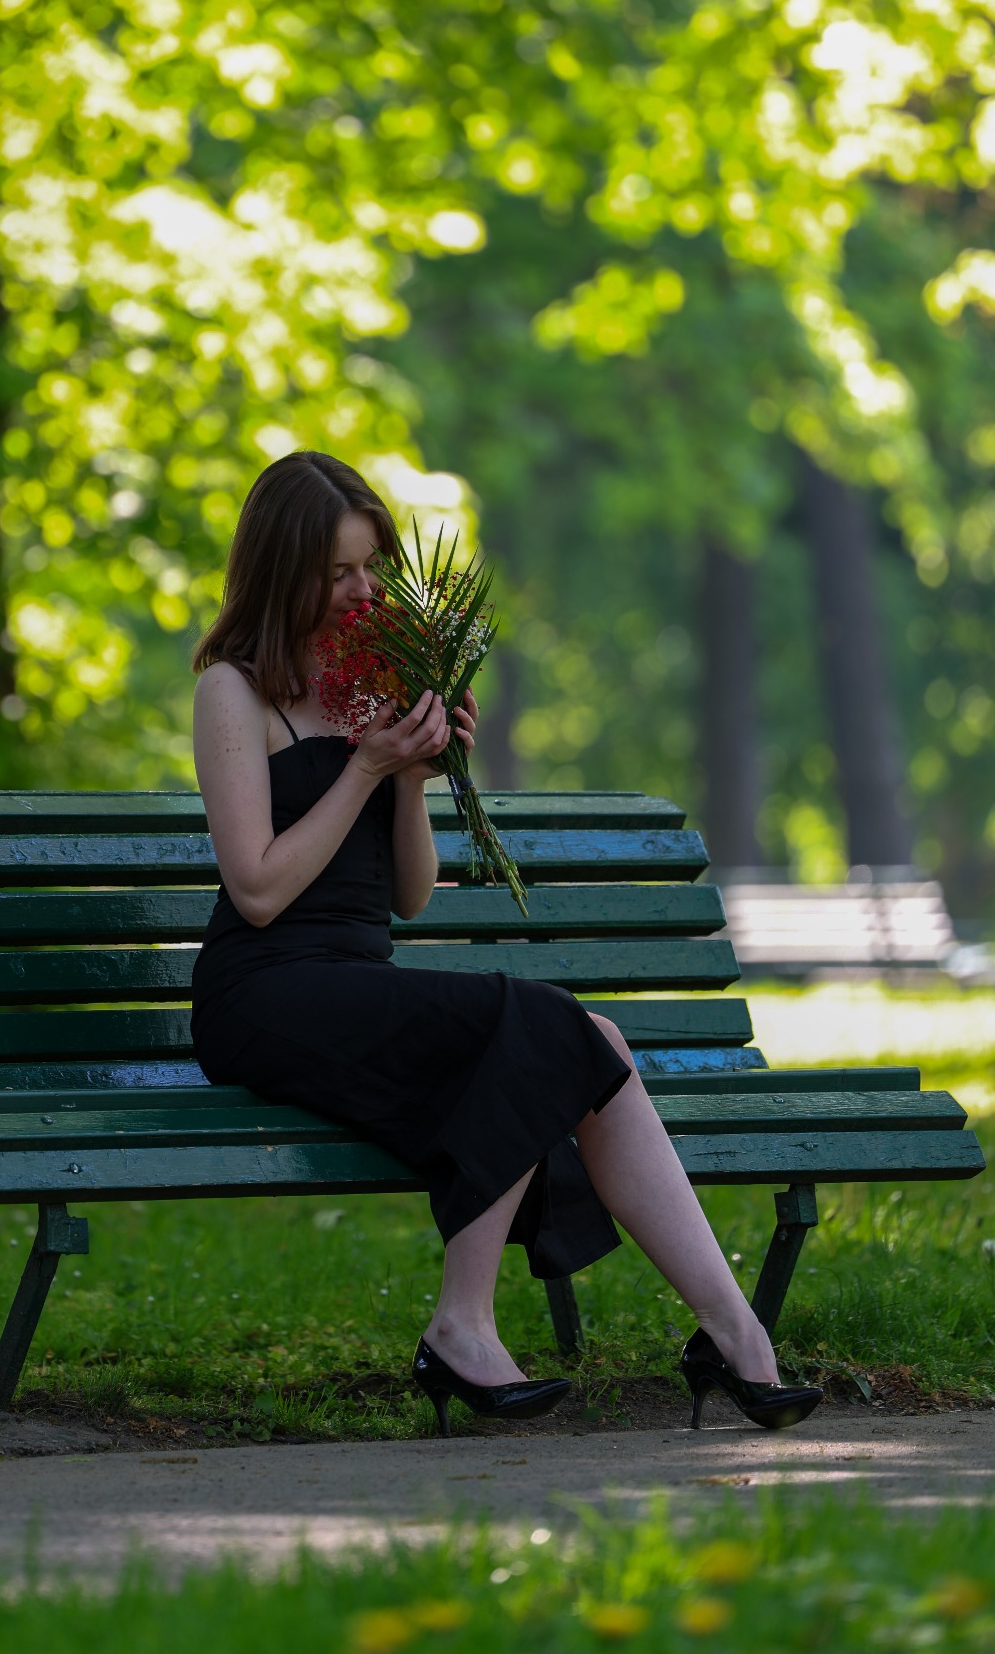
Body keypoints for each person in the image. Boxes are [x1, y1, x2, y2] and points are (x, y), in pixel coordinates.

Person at [190, 450, 822, 1437]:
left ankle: (732, 1332)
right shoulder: (235, 692)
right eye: (338, 571)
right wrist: (363, 769)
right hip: (260, 993)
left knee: (592, 1045)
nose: (363, 592)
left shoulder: (370, 680)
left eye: (372, 566)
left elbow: (407, 895)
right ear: (281, 568)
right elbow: (258, 889)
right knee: (545, 1021)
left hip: (355, 983)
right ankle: (460, 1321)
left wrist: (414, 773)